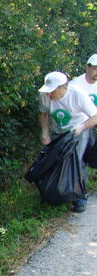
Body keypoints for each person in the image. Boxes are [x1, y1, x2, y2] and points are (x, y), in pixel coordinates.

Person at [38, 71, 97, 212]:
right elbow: (43, 114)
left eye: (52, 91)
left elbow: (95, 116)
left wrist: (82, 127)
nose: (49, 95)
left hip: (79, 131)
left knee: (76, 162)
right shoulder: (45, 95)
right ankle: (56, 195)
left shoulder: (77, 95)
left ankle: (80, 199)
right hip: (59, 131)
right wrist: (45, 132)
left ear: (62, 88)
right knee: (55, 161)